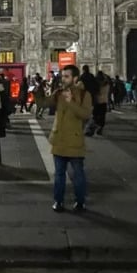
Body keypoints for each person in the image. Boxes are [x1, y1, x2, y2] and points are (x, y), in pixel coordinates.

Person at [49, 65, 92, 213]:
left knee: (78, 174)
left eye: (66, 76)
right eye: (62, 76)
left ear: (75, 78)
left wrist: (70, 102)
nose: (63, 79)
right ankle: (58, 201)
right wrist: (38, 94)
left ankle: (80, 202)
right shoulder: (59, 93)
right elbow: (46, 103)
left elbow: (85, 115)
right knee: (59, 174)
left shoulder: (84, 94)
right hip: (59, 139)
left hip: (74, 140)